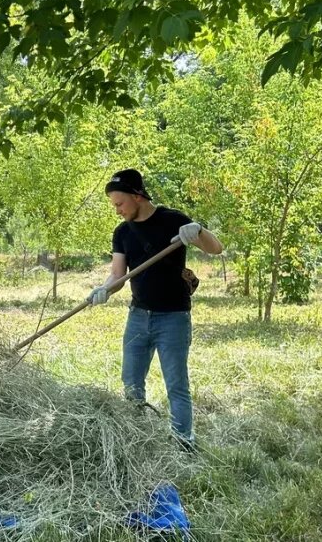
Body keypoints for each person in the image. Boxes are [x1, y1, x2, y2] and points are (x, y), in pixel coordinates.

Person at [86, 169, 223, 450]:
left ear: (137, 196)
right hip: (138, 316)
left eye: (120, 204)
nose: (117, 211)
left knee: (176, 384)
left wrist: (198, 230)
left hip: (173, 317)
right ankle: (138, 438)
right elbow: (117, 275)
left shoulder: (173, 220)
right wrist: (104, 289)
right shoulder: (122, 232)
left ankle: (184, 443)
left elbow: (215, 248)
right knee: (131, 383)